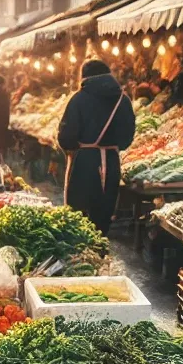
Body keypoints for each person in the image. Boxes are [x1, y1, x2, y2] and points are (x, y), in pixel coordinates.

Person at [57, 59, 136, 237]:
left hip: (84, 161)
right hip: (110, 161)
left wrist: (72, 147)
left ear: (84, 77)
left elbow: (66, 135)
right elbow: (127, 137)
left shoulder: (78, 99)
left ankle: (82, 254)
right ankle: (100, 249)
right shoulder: (123, 100)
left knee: (79, 212)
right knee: (103, 213)